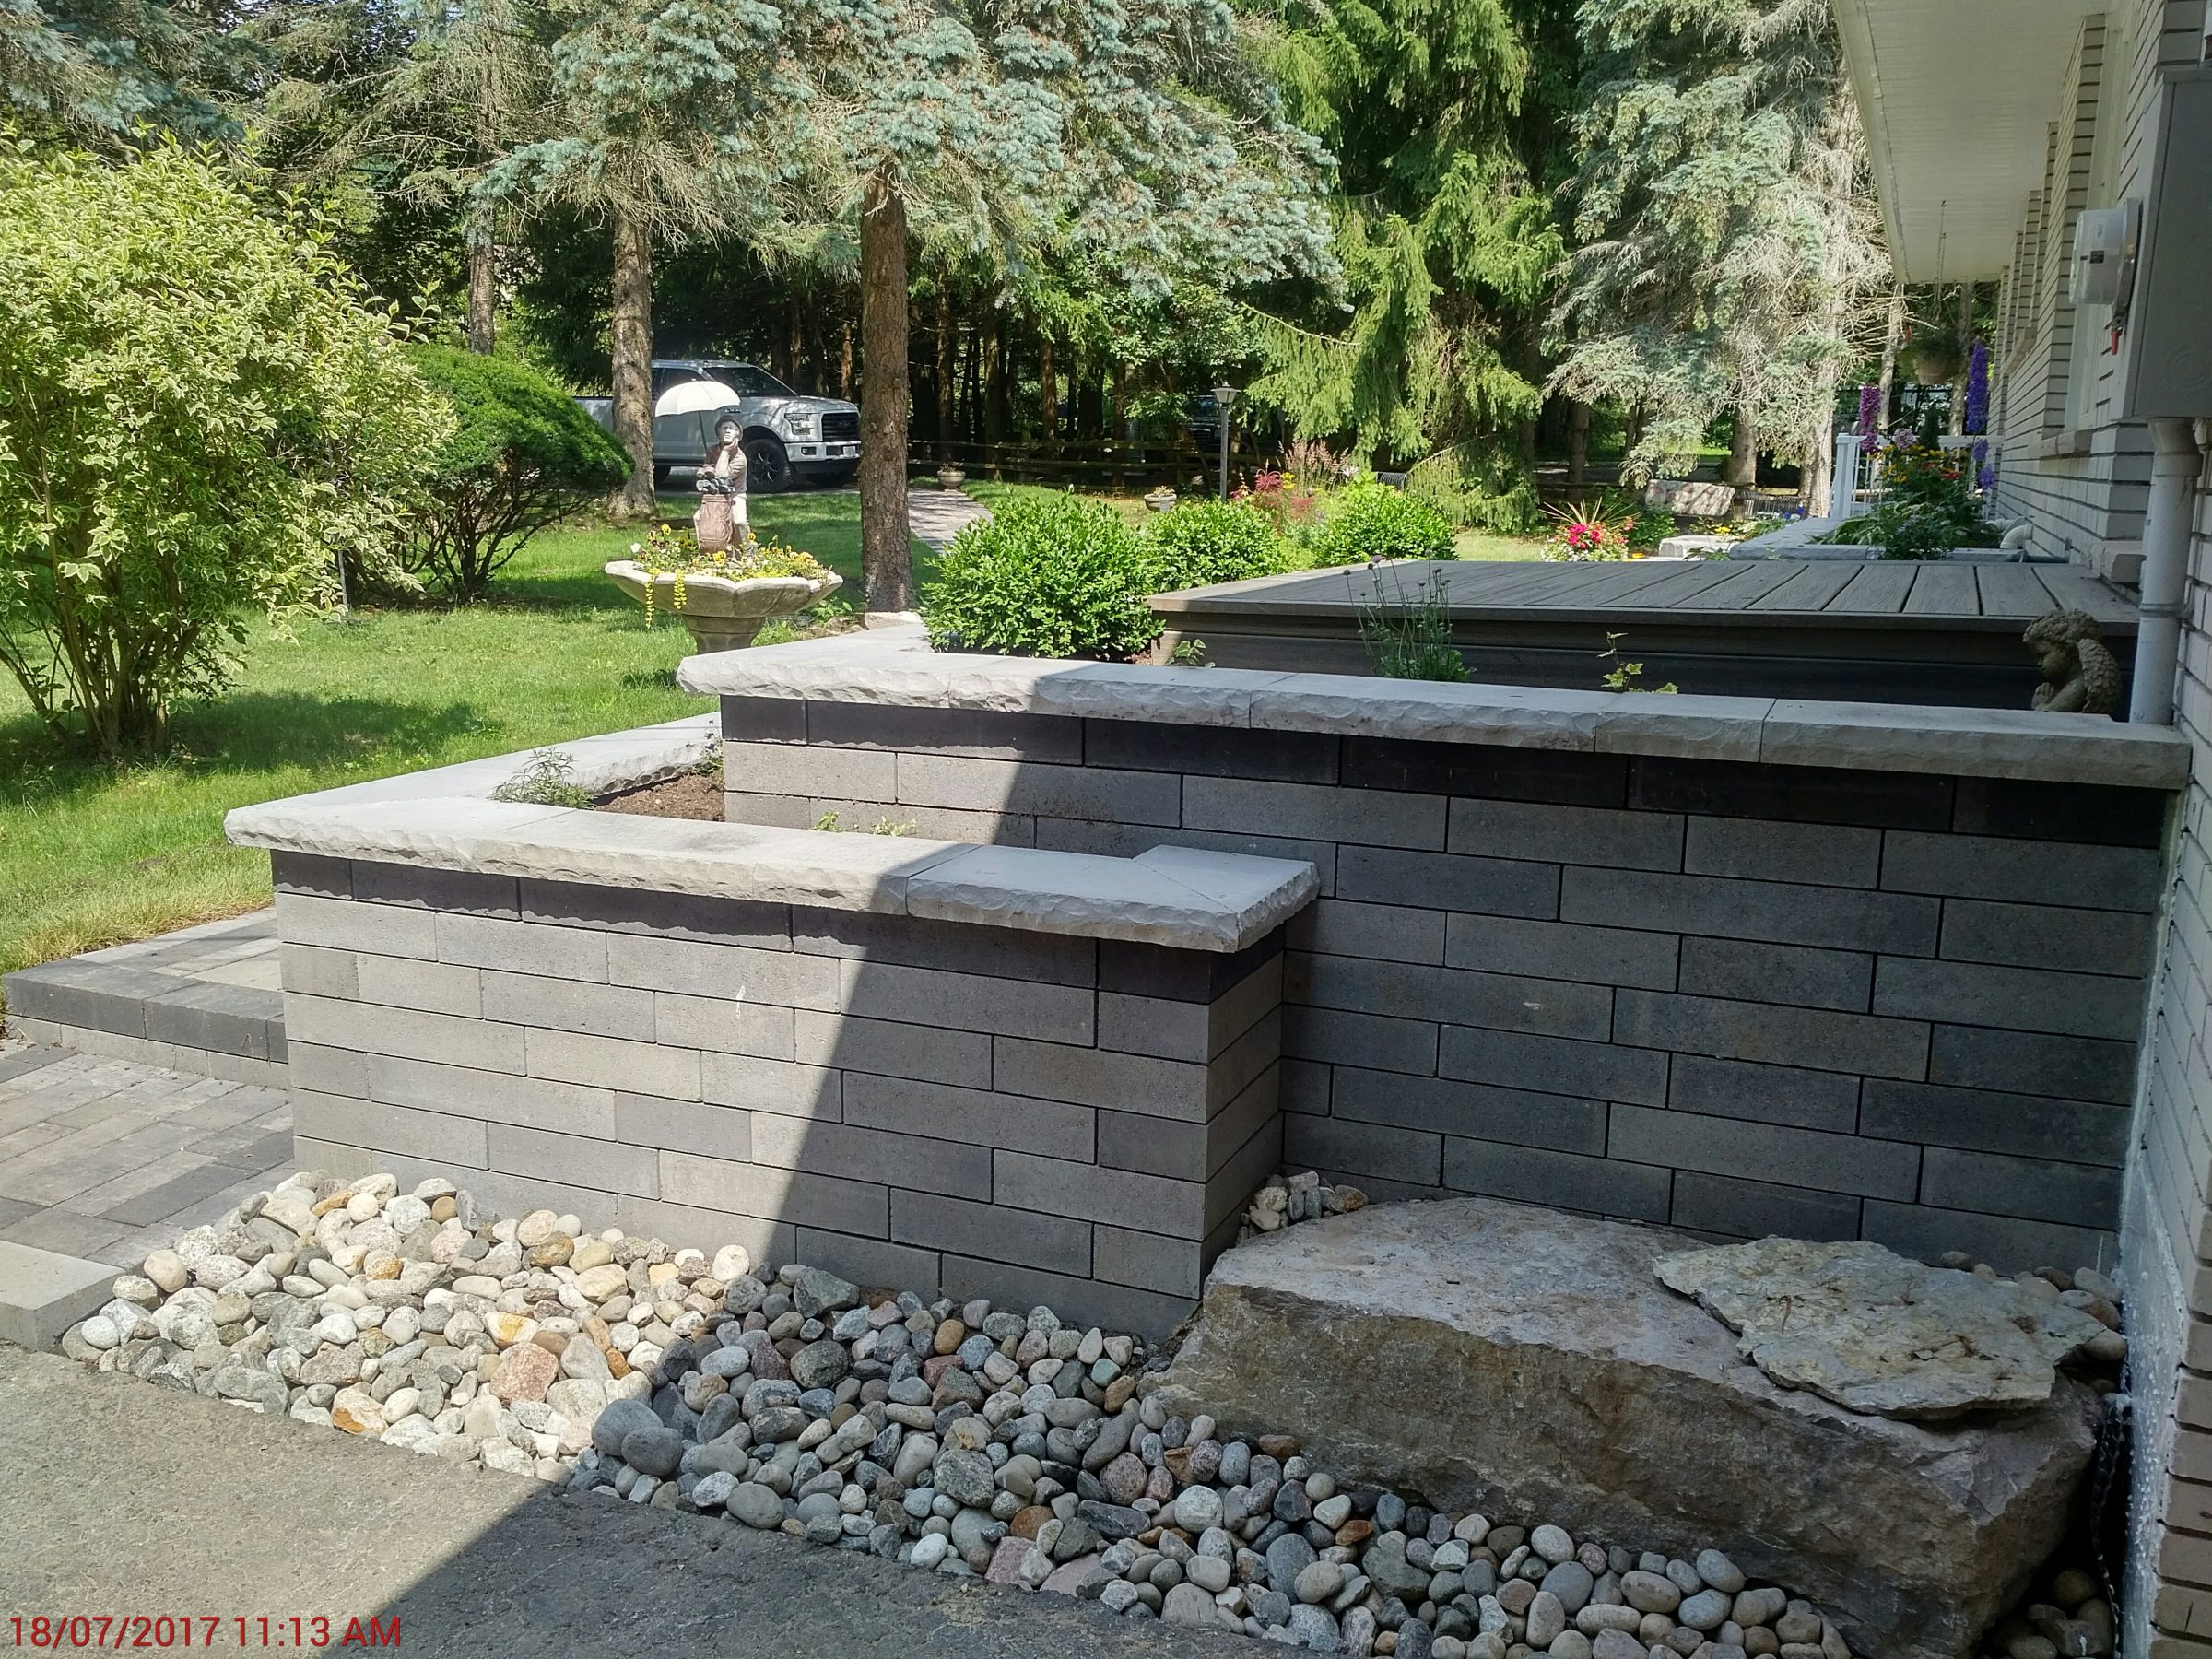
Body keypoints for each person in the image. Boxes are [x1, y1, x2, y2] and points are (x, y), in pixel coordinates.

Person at [694, 416, 749, 551]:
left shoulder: (740, 458)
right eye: (724, 428)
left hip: (735, 495)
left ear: (738, 435)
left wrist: (725, 452)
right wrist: (706, 470)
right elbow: (708, 466)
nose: (728, 431)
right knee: (697, 518)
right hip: (716, 495)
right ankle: (706, 550)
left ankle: (748, 550)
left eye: (732, 429)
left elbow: (722, 475)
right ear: (718, 434)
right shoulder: (712, 451)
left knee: (738, 520)